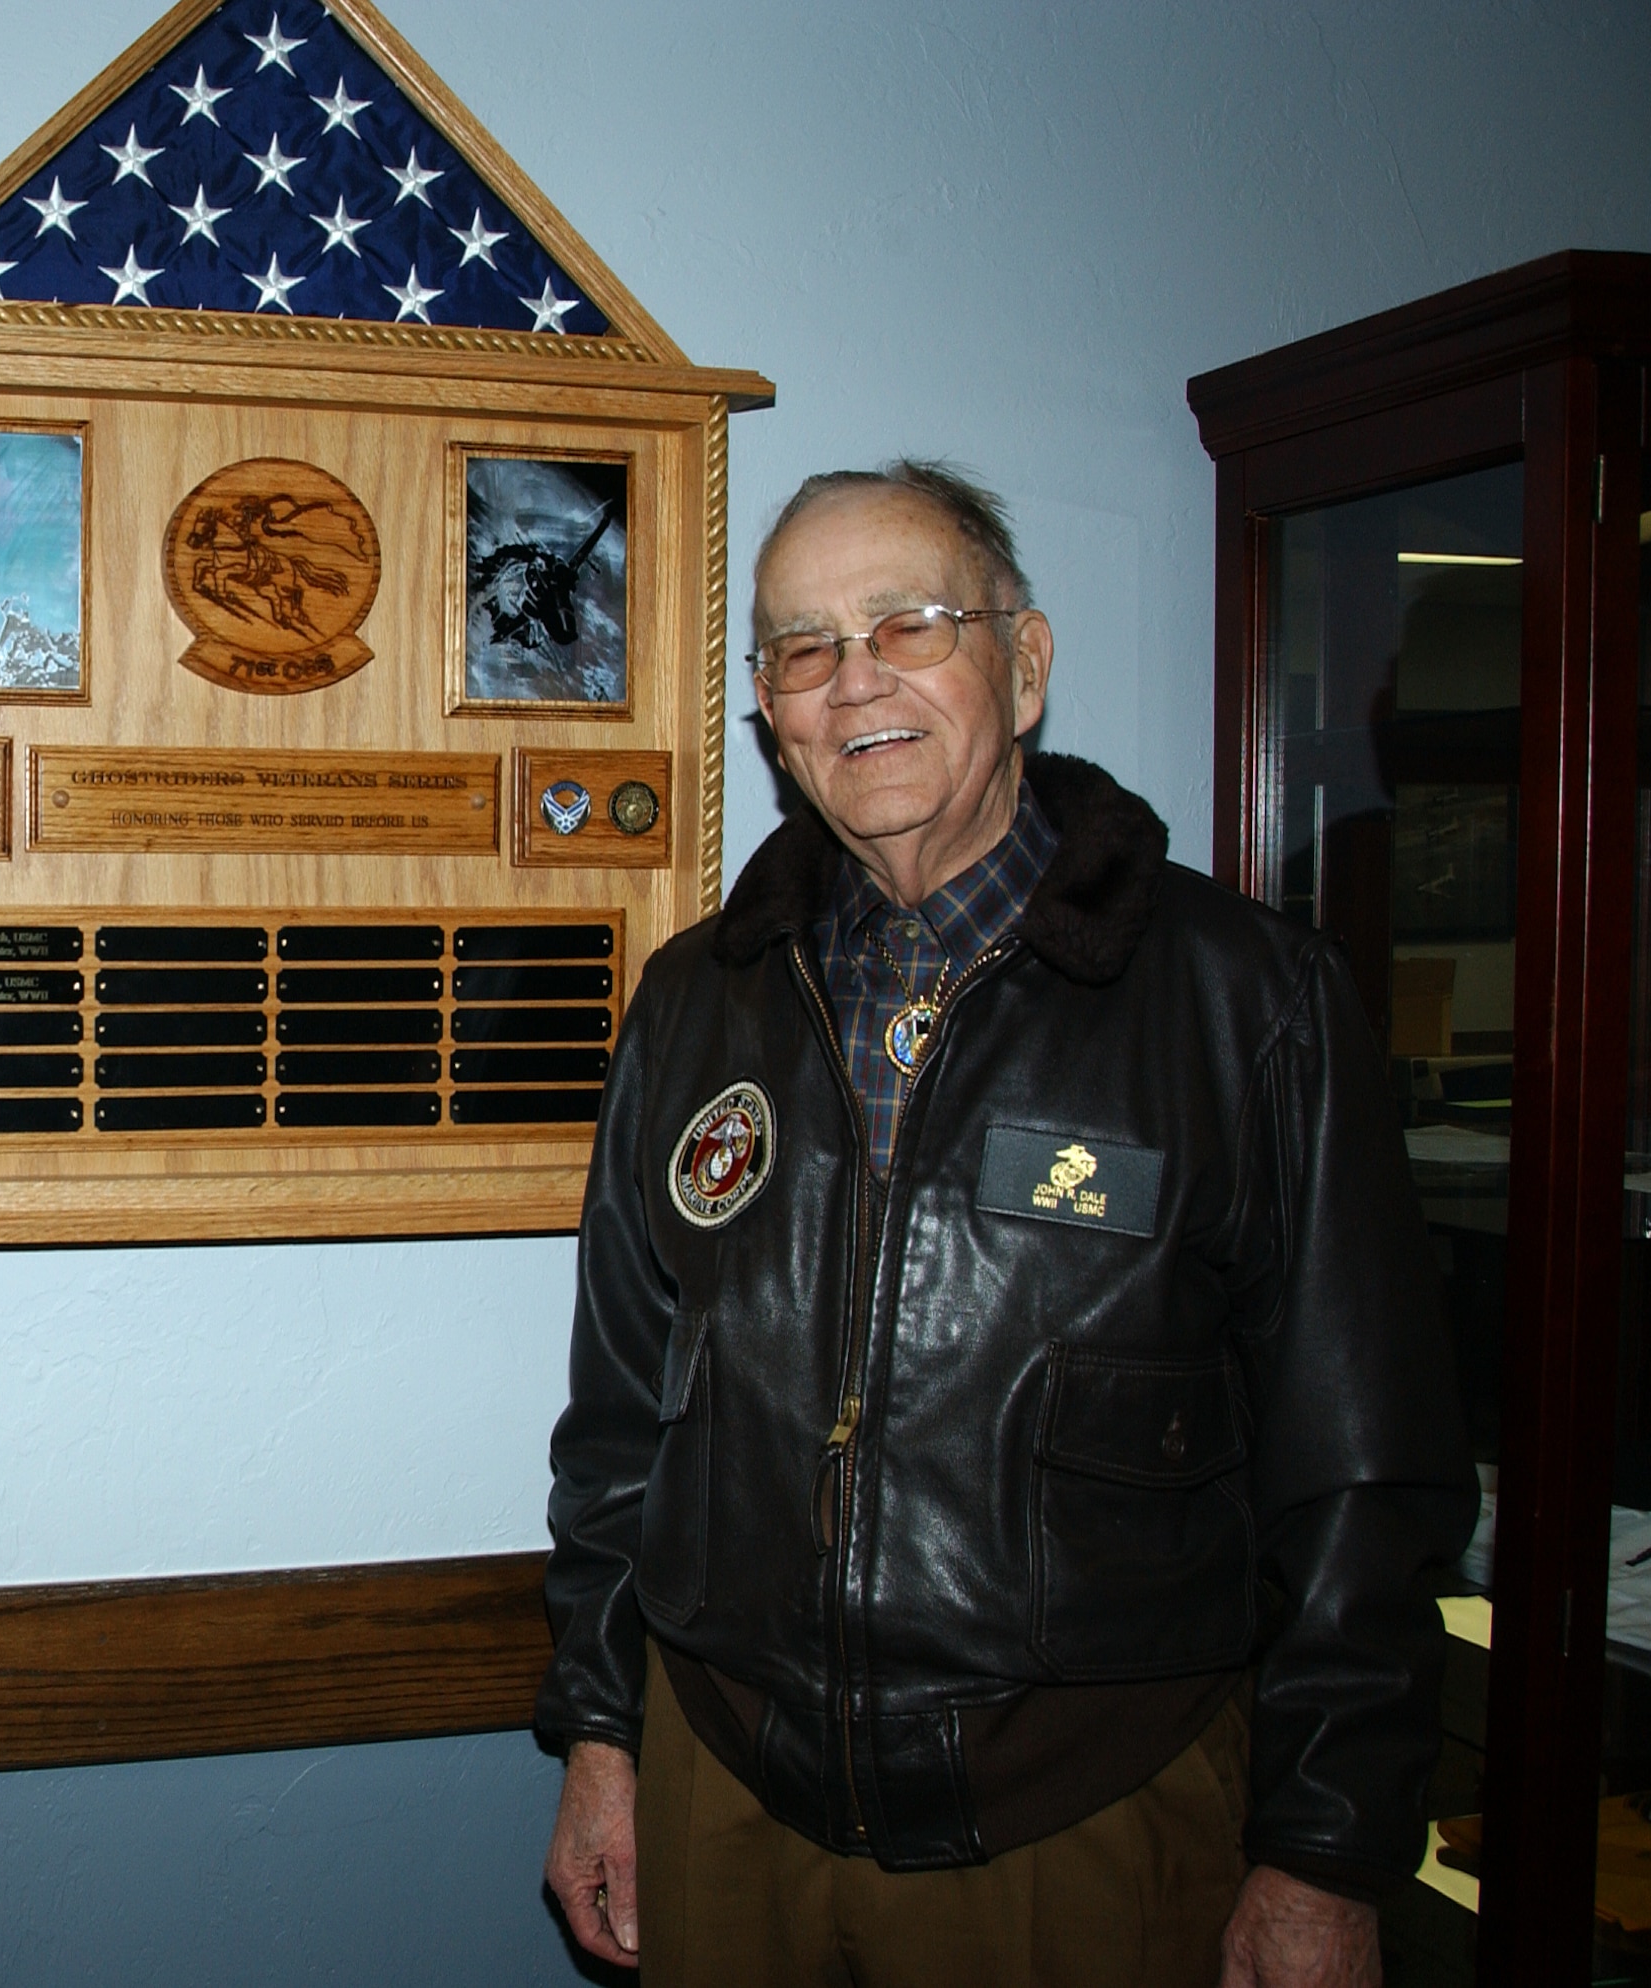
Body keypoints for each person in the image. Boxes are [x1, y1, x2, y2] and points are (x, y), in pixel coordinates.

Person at [536, 462, 1476, 1987]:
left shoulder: (1247, 1002)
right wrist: (601, 1732)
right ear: (770, 711)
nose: (856, 681)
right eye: (804, 647)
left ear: (1024, 665)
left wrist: (1326, 1853)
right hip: (725, 1793)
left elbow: (1360, 1474)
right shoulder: (696, 1002)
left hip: (1079, 1813)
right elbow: (623, 1423)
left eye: (910, 624)